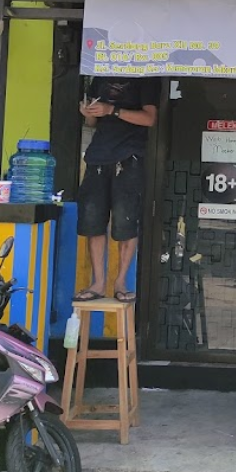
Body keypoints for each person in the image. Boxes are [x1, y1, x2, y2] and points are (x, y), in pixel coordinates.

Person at [75, 75, 160, 302]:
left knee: (126, 221)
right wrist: (88, 113)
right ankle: (98, 283)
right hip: (98, 155)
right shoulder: (100, 77)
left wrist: (112, 110)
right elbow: (92, 124)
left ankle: (120, 282)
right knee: (93, 221)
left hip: (129, 156)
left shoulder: (145, 77)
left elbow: (150, 118)